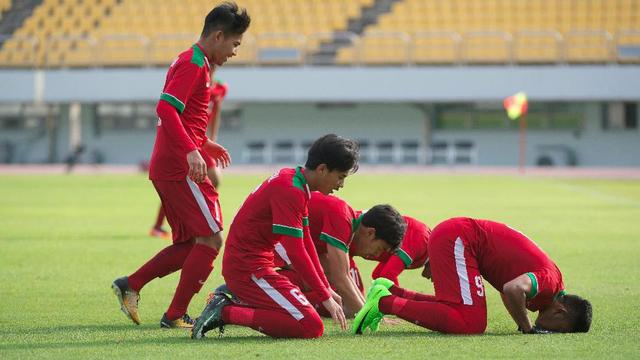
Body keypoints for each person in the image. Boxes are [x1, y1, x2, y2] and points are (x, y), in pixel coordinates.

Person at [111, 2, 250, 328]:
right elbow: (166, 109)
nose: (234, 52)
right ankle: (174, 315)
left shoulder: (197, 63)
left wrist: (203, 143)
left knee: (192, 245)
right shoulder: (193, 63)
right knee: (212, 239)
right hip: (180, 168)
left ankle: (130, 285)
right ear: (218, 36)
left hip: (175, 164)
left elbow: (184, 117)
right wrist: (191, 151)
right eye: (234, 44)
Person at [191, 134, 359, 339]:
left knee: (306, 319)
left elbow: (306, 242)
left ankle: (240, 299)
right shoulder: (291, 190)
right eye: (340, 176)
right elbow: (296, 252)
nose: (341, 184)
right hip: (249, 270)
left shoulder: (297, 183)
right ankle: (226, 311)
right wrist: (324, 295)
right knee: (311, 327)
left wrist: (324, 288)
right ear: (322, 169)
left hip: (256, 267)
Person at [353, 217, 592, 335]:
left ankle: (393, 293)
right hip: (460, 238)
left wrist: (522, 323)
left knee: (459, 309)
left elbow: (508, 286)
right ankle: (384, 303)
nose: (551, 331)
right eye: (559, 329)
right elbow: (512, 289)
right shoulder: (550, 284)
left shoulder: (549, 285)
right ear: (561, 312)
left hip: (460, 238)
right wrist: (528, 327)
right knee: (471, 322)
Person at [277, 192, 407, 318]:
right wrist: (367, 316)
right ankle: (268, 296)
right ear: (370, 233)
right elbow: (340, 277)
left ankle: (278, 295)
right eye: (380, 248)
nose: (377, 254)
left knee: (327, 277)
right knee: (324, 275)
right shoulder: (342, 218)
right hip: (278, 228)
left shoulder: (350, 220)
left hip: (284, 227)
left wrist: (367, 311)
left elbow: (344, 275)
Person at [149, 76, 229, 239]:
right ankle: (169, 223)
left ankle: (185, 220)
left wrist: (212, 138)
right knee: (188, 182)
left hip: (202, 140)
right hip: (190, 140)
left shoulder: (219, 88)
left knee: (207, 181)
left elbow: (217, 112)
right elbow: (170, 110)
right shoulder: (192, 81)